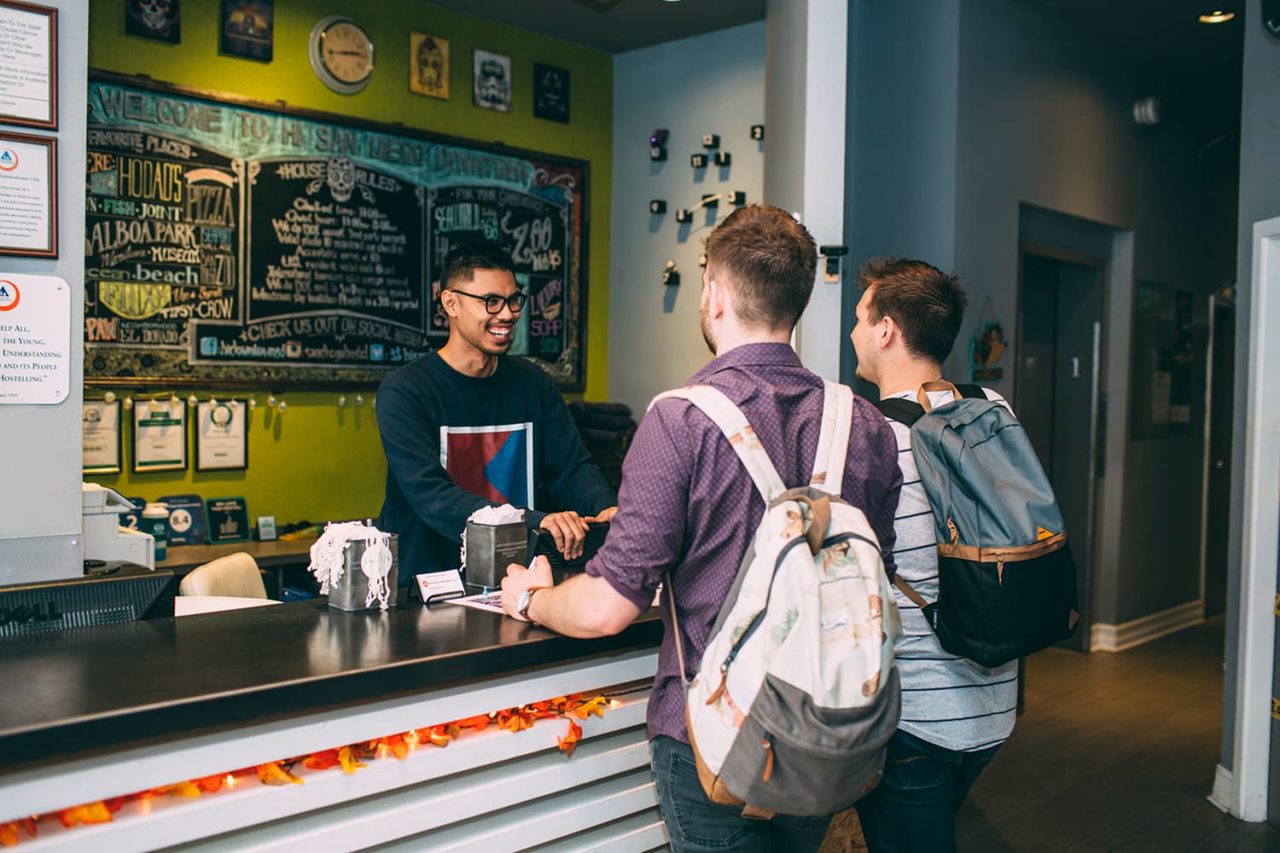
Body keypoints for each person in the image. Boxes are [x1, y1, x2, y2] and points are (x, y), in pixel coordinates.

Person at [499, 205, 903, 851]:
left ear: (713, 294)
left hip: (716, 736)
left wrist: (531, 595)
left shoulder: (681, 419)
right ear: (796, 303)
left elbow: (607, 607)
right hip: (831, 725)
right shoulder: (867, 422)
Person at [848, 258, 1017, 853]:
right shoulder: (991, 407)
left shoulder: (867, 433)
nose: (853, 333)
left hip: (914, 715)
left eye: (861, 318)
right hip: (995, 701)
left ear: (887, 329)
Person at [376, 241, 616, 576]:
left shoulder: (533, 382)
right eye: (491, 302)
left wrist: (605, 507)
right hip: (429, 585)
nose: (507, 314)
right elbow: (433, 496)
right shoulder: (405, 391)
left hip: (515, 577)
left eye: (513, 301)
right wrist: (538, 519)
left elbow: (571, 467)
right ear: (451, 303)